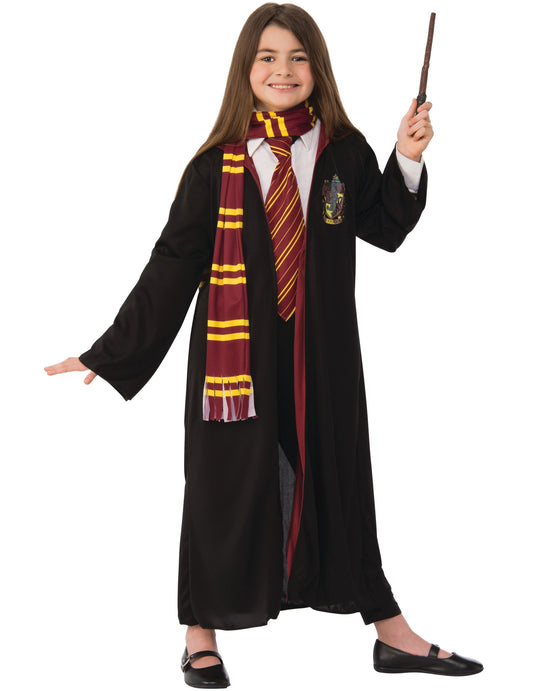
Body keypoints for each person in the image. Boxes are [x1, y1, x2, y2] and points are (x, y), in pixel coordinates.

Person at [45, 2, 483, 685]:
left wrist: (406, 156)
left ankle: (390, 632)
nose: (284, 70)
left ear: (318, 69)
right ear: (245, 71)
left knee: (340, 480)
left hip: (323, 355)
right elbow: (174, 262)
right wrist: (111, 351)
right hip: (235, 362)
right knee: (219, 488)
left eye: (298, 57)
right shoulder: (214, 166)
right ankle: (200, 633)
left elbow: (383, 227)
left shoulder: (341, 152)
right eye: (268, 58)